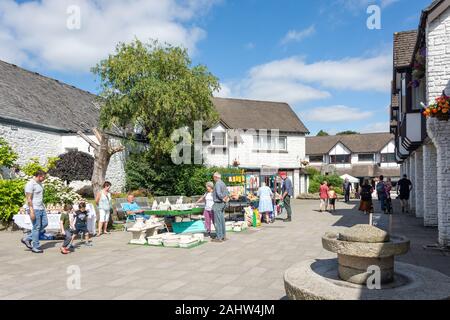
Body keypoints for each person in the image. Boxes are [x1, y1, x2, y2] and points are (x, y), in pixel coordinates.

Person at [21, 170, 47, 253]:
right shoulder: (30, 184)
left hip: (41, 207)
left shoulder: (39, 183)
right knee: (36, 227)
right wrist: (31, 211)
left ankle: (27, 238)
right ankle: (36, 246)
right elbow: (29, 199)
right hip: (34, 208)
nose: (44, 179)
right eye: (43, 177)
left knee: (45, 223)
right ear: (39, 176)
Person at [212, 172, 229, 243]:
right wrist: (225, 199)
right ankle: (223, 236)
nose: (213, 178)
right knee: (222, 220)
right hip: (222, 204)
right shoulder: (223, 183)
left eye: (213, 177)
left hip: (218, 203)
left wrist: (222, 198)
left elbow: (219, 193)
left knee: (217, 221)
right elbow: (227, 193)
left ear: (216, 177)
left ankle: (219, 237)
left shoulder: (217, 183)